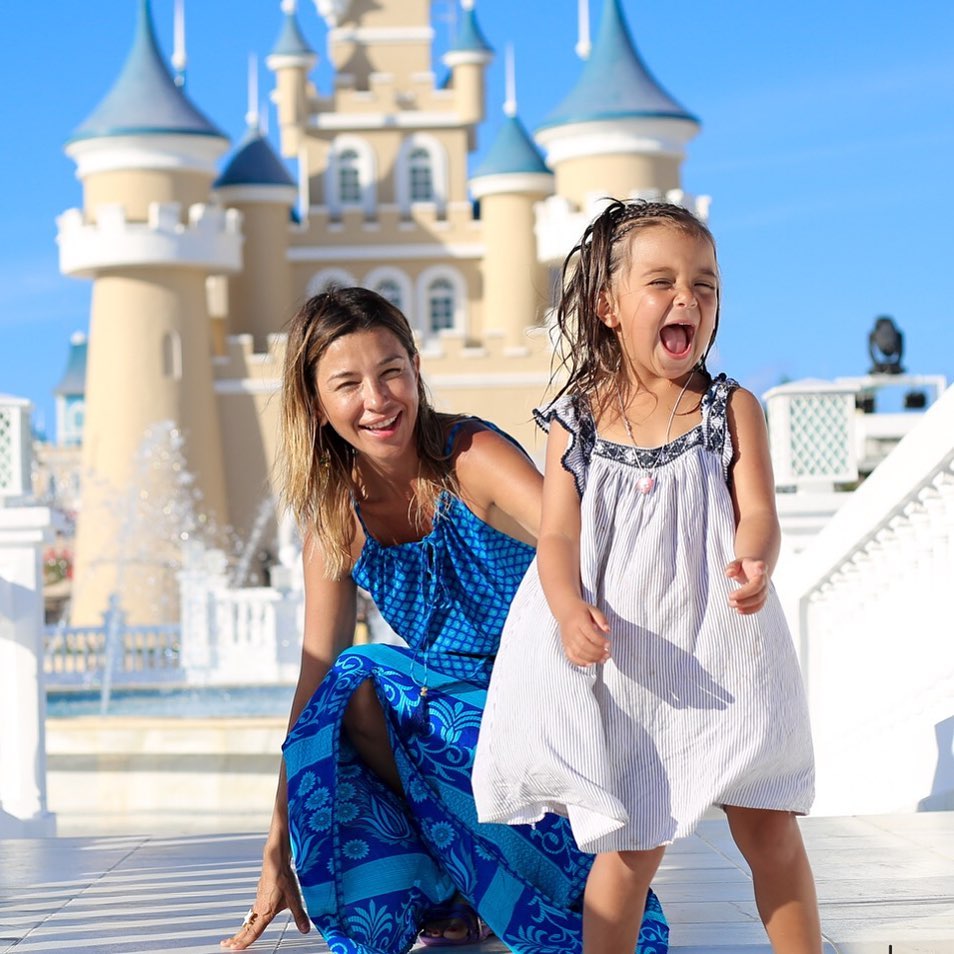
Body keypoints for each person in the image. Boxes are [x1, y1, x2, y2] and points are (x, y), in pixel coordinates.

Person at [220, 287, 669, 953]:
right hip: (452, 724)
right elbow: (313, 684)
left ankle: (495, 888)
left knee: (359, 675)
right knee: (346, 689)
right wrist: (275, 844)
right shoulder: (334, 517)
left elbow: (576, 539)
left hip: (551, 700)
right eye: (348, 383)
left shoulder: (469, 458)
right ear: (315, 403)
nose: (377, 400)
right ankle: (450, 887)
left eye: (391, 371)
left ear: (417, 369)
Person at [472, 200, 821, 953]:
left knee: (769, 828)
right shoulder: (577, 420)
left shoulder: (730, 411)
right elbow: (556, 534)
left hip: (723, 649)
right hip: (631, 666)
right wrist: (566, 611)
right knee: (627, 852)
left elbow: (756, 511)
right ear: (608, 307)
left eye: (705, 284)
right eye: (660, 281)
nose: (687, 298)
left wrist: (755, 557)